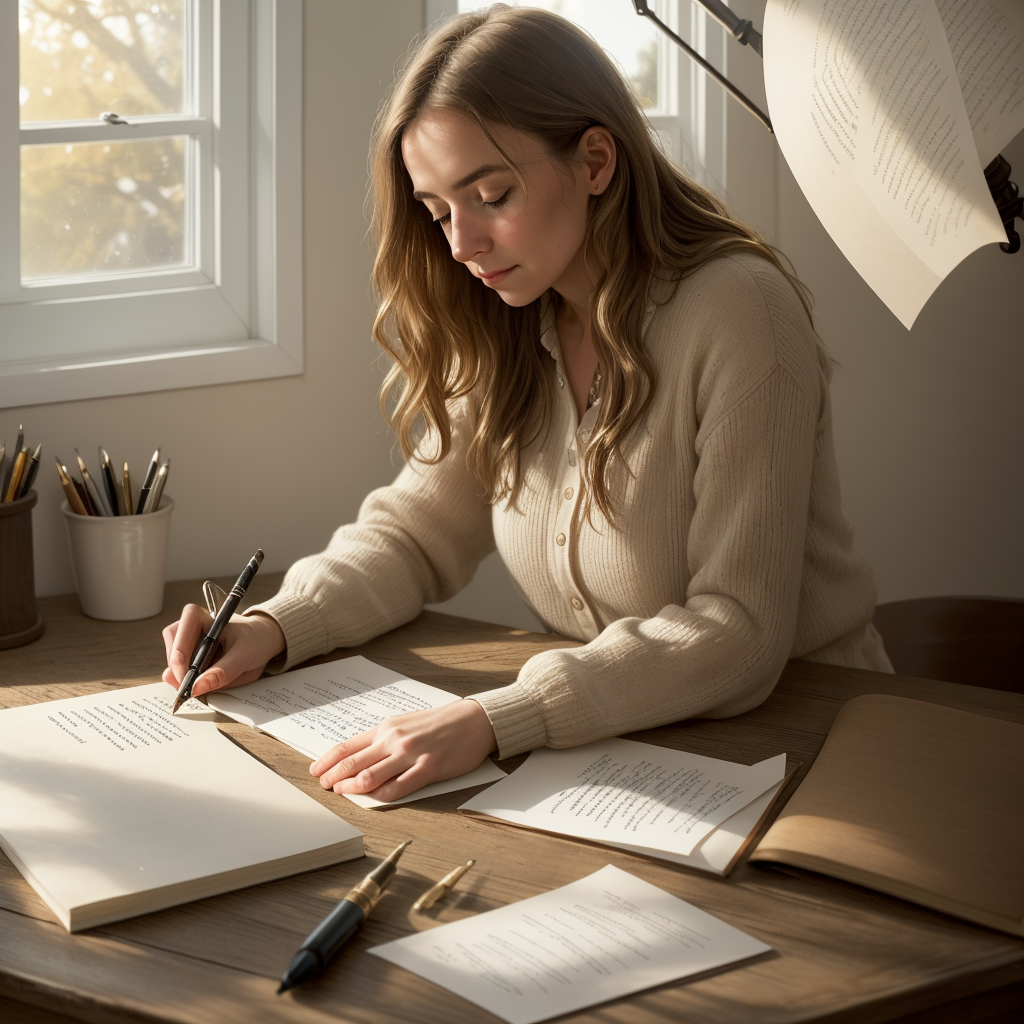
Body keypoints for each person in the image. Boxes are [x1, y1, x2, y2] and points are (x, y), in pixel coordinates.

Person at [162, 4, 891, 802]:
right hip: (625, 755)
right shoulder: (516, 320)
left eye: (491, 195)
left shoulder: (741, 312)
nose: (461, 245)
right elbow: (414, 534)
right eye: (438, 212)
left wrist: (501, 716)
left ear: (596, 162)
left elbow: (739, 632)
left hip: (817, 756)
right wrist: (275, 626)